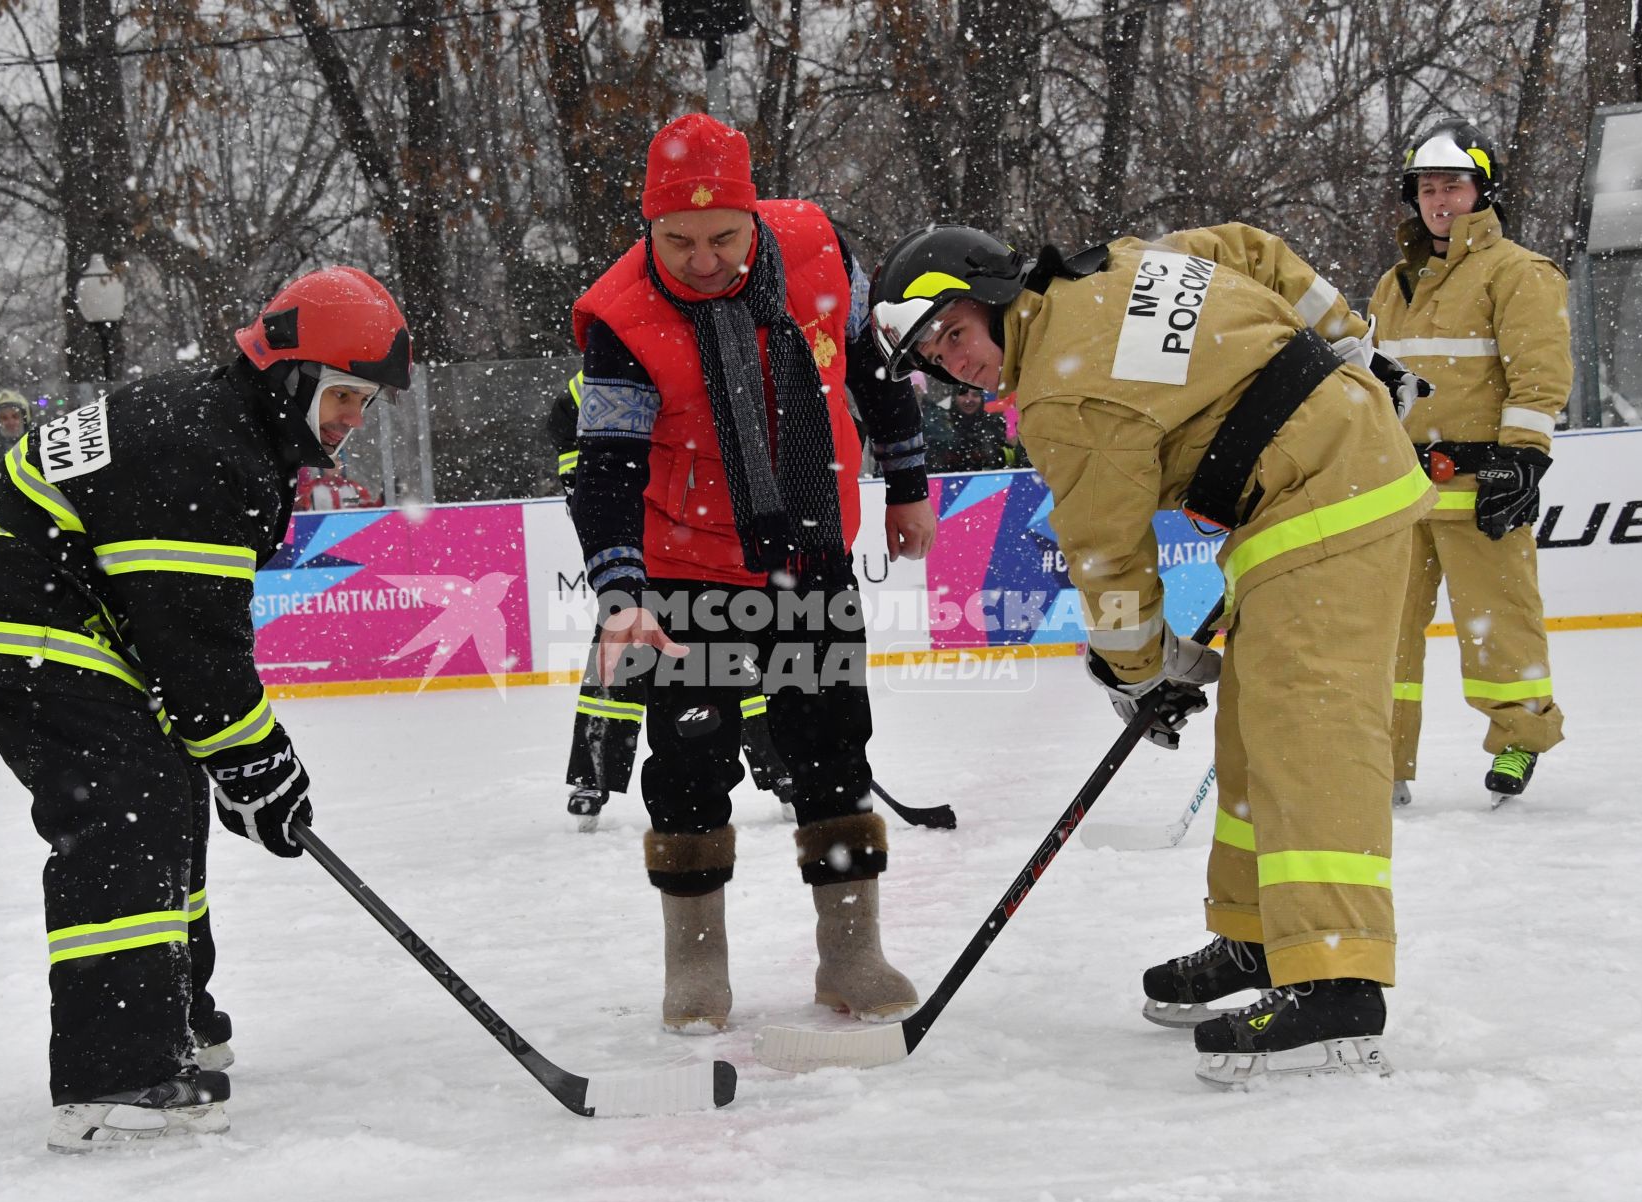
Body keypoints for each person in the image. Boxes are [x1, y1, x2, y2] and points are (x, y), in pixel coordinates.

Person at [871, 221, 1433, 1087]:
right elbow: (1252, 250)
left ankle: (1335, 982)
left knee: (1308, 732)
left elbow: (1108, 560)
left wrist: (1139, 675)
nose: (954, 363)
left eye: (955, 334)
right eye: (934, 357)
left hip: (1326, 494)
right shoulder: (1118, 262)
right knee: (1254, 733)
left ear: (990, 296)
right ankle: (1258, 940)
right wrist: (1354, 346)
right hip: (1315, 479)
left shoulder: (1064, 398)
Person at [0, 266, 412, 1151]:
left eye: (365, 404)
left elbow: (186, 640)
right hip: (22, 612)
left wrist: (238, 760)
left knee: (169, 792)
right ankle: (115, 1074)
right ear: (289, 377)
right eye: (344, 396)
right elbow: (194, 648)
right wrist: (256, 759)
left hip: (65, 611)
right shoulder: (205, 448)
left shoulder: (224, 431)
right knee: (126, 807)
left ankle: (173, 1018)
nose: (352, 421)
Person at [569, 113, 935, 1033]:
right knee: (688, 767)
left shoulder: (818, 247)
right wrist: (621, 594)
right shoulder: (621, 317)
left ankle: (850, 951)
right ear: (647, 225)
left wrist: (906, 482)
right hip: (686, 573)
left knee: (832, 749)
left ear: (753, 217)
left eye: (723, 237)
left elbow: (872, 369)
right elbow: (605, 468)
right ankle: (697, 967)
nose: (700, 259)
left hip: (810, 553)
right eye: (676, 239)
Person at [1369, 118, 1572, 808]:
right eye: (1427, 188)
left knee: (1502, 620)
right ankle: (1380, 758)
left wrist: (1523, 460)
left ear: (1480, 192)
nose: (1439, 199)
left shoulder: (1517, 272)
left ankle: (1521, 738)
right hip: (1399, 493)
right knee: (1383, 634)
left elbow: (1539, 375)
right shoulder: (1392, 284)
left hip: (1483, 486)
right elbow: (1375, 384)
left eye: (1453, 185)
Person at [551, 373, 796, 831]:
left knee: (736, 667)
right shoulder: (609, 369)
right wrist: (584, 487)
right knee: (617, 663)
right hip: (639, 553)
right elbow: (566, 420)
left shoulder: (715, 359)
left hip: (708, 551)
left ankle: (783, 773)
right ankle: (593, 777)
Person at [295, 463, 379, 510]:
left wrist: (382, 499)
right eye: (330, 460)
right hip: (321, 532)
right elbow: (301, 510)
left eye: (337, 460)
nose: (334, 464)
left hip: (349, 532)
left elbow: (369, 508)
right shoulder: (311, 488)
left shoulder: (353, 487)